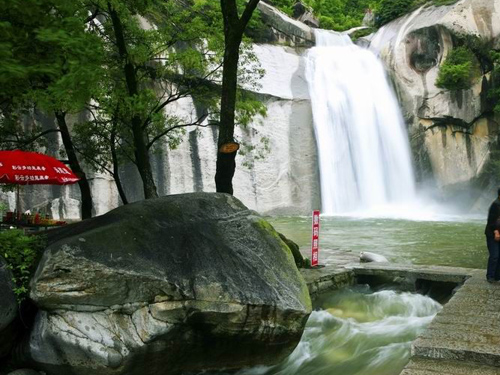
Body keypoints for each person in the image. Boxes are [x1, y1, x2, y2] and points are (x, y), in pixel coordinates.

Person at [485, 188, 500, 283]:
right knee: (494, 255)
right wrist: (496, 232)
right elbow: (491, 221)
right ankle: (490, 275)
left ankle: (497, 276)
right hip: (492, 234)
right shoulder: (495, 205)